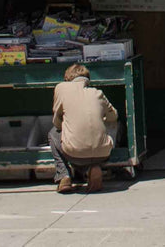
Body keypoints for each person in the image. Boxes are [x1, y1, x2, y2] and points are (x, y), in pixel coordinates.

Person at [50, 64, 118, 193]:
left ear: (67, 78)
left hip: (75, 154)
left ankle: (64, 176)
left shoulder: (61, 88)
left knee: (53, 133)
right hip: (103, 153)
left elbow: (57, 123)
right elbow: (113, 116)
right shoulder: (98, 93)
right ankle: (94, 166)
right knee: (111, 128)